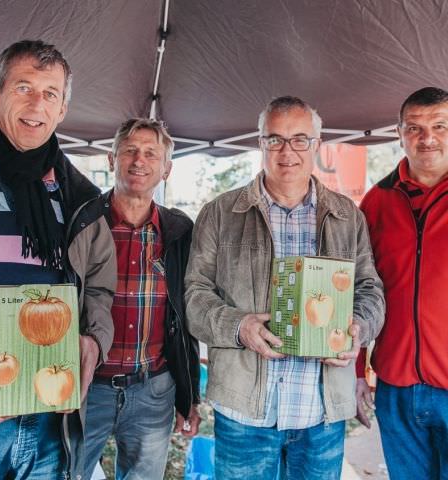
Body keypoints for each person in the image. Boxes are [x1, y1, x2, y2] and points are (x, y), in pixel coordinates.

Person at [184, 95, 385, 480]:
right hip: (245, 412)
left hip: (321, 414)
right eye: (274, 139)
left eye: (299, 139)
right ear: (260, 143)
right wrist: (239, 327)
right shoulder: (221, 213)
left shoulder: (347, 216)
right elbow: (194, 296)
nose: (286, 151)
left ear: (316, 143)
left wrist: (356, 328)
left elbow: (370, 290)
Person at [0, 40, 116, 479]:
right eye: (24, 88)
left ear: (63, 110)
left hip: (48, 407)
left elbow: (100, 287)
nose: (37, 104)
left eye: (51, 93)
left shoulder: (79, 198)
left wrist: (92, 342)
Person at [83, 118, 201, 480]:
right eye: (130, 150)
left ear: (166, 169)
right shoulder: (83, 223)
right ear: (110, 159)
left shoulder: (180, 231)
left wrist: (189, 395)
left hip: (153, 390)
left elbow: (186, 318)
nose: (139, 160)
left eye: (152, 153)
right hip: (86, 387)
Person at [356, 86, 448, 479]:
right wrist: (357, 372)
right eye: (415, 127)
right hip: (395, 387)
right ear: (399, 132)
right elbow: (357, 289)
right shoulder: (376, 202)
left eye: (440, 125)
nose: (427, 138)